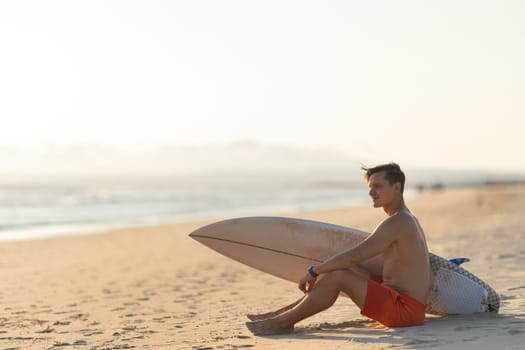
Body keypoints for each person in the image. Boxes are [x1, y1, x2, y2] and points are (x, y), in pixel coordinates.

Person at [246, 163, 431, 335]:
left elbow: (355, 256)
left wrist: (313, 271)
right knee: (340, 269)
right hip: (399, 300)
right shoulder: (405, 218)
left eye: (377, 186)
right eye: (370, 187)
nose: (371, 192)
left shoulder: (398, 222)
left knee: (337, 275)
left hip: (403, 311)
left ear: (396, 187)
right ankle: (281, 313)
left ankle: (282, 322)